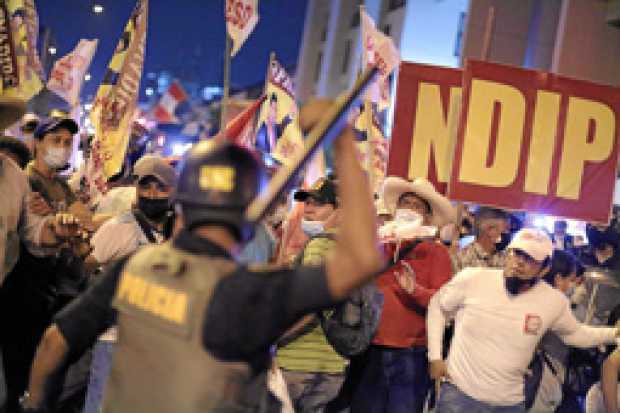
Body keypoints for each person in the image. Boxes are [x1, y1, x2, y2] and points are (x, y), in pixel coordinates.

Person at [20, 99, 384, 412]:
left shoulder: (136, 269)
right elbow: (362, 260)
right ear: (249, 210)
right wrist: (341, 141)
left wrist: (36, 405)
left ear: (182, 206)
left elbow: (55, 341)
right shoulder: (254, 290)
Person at [428, 228, 620, 413]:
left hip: (510, 402)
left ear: (545, 268)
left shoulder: (553, 301)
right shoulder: (473, 278)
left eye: (530, 259)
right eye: (516, 253)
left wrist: (613, 334)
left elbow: (575, 334)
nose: (519, 262)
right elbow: (438, 306)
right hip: (460, 396)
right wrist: (435, 357)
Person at [0, 96, 81, 412]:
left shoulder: (14, 177)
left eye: (67, 141)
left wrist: (56, 230)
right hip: (22, 294)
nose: (62, 146)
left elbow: (33, 234)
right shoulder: (30, 177)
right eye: (55, 139)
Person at [81, 155, 177, 413]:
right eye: (145, 186)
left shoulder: (175, 231)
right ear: (135, 187)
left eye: (160, 187)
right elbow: (85, 266)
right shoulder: (119, 227)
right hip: (117, 340)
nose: (152, 194)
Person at [350, 176, 454, 413]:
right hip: (370, 348)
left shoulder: (437, 253)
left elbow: (444, 305)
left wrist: (415, 291)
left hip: (411, 353)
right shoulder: (379, 244)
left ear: (427, 218)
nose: (408, 209)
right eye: (405, 203)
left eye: (417, 206)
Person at [276, 176, 347, 411]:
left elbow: (312, 305)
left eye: (318, 203)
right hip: (331, 365)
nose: (308, 208)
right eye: (306, 202)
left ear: (339, 208)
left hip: (299, 362)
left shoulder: (319, 245)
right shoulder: (349, 247)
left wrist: (275, 337)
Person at [454, 206, 509, 272]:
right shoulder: (461, 259)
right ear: (490, 230)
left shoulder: (506, 258)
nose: (506, 233)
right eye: (504, 230)